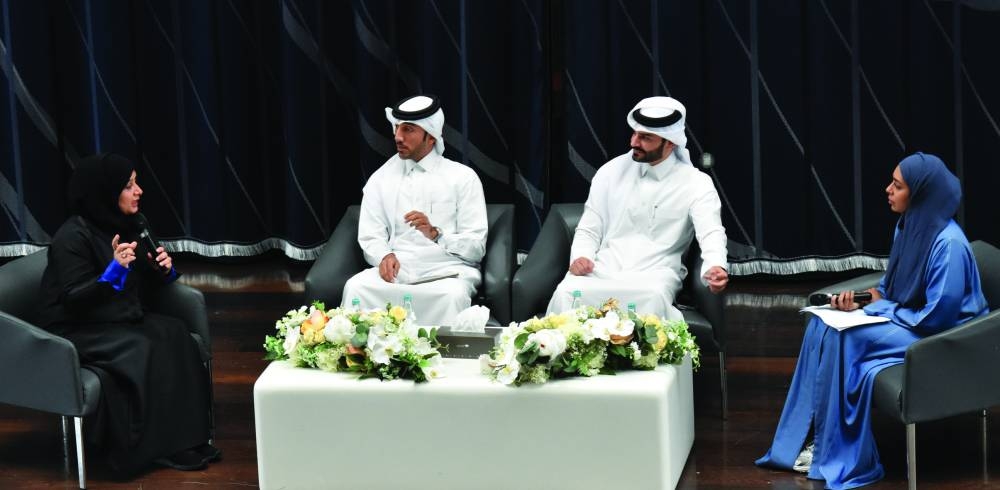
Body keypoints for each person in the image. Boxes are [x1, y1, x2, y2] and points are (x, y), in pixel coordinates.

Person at [755, 153, 988, 489]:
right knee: (821, 325)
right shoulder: (908, 225)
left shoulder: (948, 245)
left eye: (898, 185)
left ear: (920, 194)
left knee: (844, 337)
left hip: (944, 335)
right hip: (912, 319)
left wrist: (878, 310)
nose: (887, 190)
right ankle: (803, 438)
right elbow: (894, 287)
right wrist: (864, 300)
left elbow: (937, 316)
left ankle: (832, 449)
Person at [38, 154, 219, 474]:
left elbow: (149, 281)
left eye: (136, 183)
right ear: (105, 192)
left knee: (175, 334)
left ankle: (187, 438)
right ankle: (152, 449)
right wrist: (112, 272)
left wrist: (160, 268)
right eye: (128, 185)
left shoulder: (134, 224)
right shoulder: (72, 236)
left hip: (114, 315)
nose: (139, 191)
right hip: (73, 326)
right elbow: (73, 300)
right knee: (142, 348)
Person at [546, 96, 729, 319]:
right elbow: (589, 227)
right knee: (565, 293)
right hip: (604, 270)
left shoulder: (696, 183)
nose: (634, 142)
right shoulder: (610, 172)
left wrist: (715, 266)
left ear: (670, 143)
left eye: (645, 138)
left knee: (651, 297)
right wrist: (580, 257)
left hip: (655, 275)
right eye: (634, 133)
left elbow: (711, 232)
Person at [342, 94, 488, 325]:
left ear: (430, 136)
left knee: (451, 296)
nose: (398, 137)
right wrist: (384, 255)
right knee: (356, 287)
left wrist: (437, 235)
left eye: (408, 130)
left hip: (448, 271)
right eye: (397, 128)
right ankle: (362, 360)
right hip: (398, 272)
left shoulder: (463, 178)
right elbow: (371, 235)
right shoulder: (380, 179)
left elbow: (476, 248)